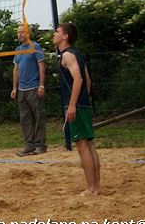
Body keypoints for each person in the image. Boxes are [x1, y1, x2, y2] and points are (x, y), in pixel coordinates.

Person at [52, 22, 100, 196]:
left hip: (76, 105)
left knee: (82, 146)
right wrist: (82, 100)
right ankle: (96, 187)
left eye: (57, 32)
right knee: (89, 145)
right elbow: (88, 81)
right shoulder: (77, 55)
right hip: (83, 104)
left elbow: (79, 79)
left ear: (65, 36)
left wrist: (73, 104)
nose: (54, 34)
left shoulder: (67, 56)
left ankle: (91, 188)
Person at [10, 24, 47, 156]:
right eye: (18, 32)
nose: (19, 34)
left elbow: (41, 65)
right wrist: (14, 88)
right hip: (22, 89)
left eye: (22, 32)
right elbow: (16, 70)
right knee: (25, 118)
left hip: (33, 87)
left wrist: (41, 85)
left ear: (28, 33)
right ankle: (29, 145)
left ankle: (40, 145)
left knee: (38, 116)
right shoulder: (18, 49)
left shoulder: (35, 46)